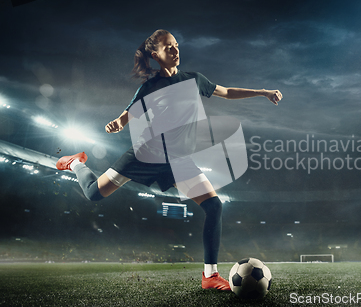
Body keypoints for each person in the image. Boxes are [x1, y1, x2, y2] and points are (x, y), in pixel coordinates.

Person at [56, 29, 283, 291]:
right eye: (169, 47)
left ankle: (210, 277)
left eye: (176, 45)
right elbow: (130, 111)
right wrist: (118, 122)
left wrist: (263, 92)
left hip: (178, 160)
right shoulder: (150, 86)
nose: (176, 50)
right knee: (94, 194)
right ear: (156, 55)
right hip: (146, 154)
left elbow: (227, 91)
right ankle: (75, 163)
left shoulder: (195, 80)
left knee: (214, 206)